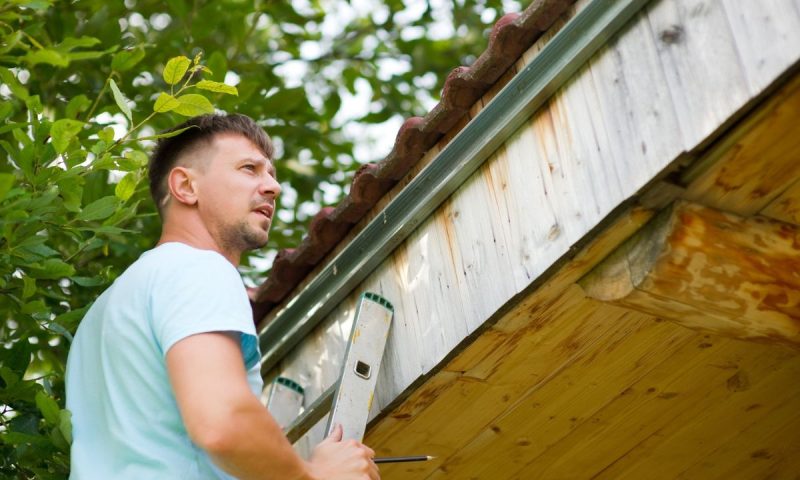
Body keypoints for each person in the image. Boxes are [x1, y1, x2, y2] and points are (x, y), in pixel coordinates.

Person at [65, 113, 380, 480]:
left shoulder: (105, 313)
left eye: (272, 175)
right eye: (249, 168)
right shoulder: (199, 269)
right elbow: (222, 421)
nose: (272, 187)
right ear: (185, 187)